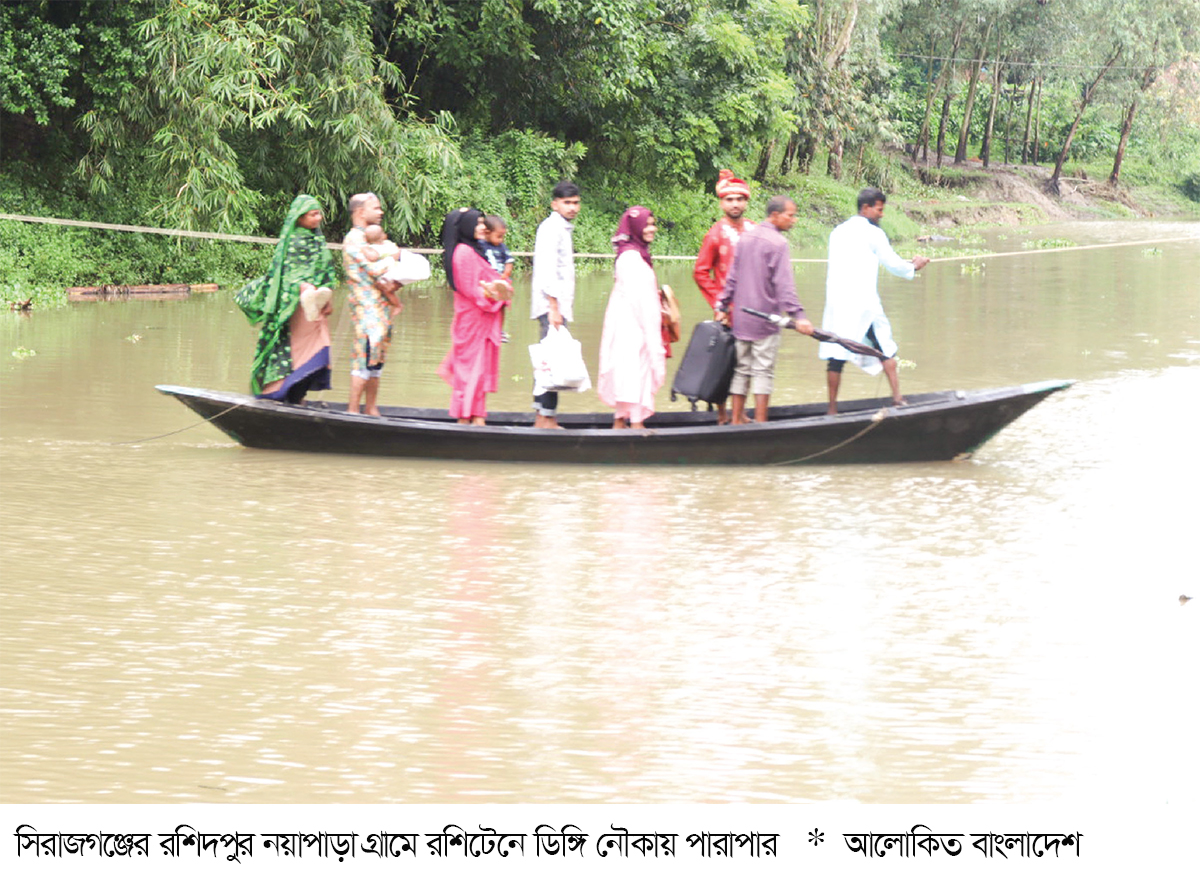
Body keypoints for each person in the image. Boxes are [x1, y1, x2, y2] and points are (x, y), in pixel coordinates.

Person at [822, 187, 930, 414]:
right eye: (879, 209)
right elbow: (893, 264)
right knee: (886, 348)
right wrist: (914, 266)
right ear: (866, 208)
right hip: (863, 304)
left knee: (836, 354)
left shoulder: (837, 231)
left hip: (837, 304)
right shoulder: (873, 233)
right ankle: (898, 399)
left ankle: (832, 410)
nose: (881, 214)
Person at [715, 195, 815, 425]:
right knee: (762, 372)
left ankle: (736, 421)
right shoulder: (778, 243)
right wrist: (798, 316)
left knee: (741, 370)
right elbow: (784, 286)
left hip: (741, 319)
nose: (794, 220)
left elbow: (732, 278)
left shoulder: (745, 238)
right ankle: (761, 424)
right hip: (765, 321)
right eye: (790, 215)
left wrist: (722, 305)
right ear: (775, 215)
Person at [233, 193, 337, 403]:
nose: (318, 219)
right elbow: (286, 276)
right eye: (313, 215)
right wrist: (303, 287)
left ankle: (298, 397)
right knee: (295, 356)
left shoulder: (317, 241)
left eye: (319, 214)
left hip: (314, 310)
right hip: (294, 310)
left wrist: (326, 298)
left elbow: (325, 272)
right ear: (300, 218)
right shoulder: (292, 242)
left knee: (320, 353)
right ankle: (282, 395)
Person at [437, 208, 512, 425]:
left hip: (483, 321)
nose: (483, 227)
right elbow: (473, 291)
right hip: (472, 321)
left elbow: (492, 281)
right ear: (467, 226)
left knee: (479, 372)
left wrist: (500, 288)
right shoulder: (463, 253)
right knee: (470, 371)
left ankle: (477, 416)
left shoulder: (477, 251)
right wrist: (498, 292)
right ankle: (466, 419)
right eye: (478, 223)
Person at [693, 168, 754, 423]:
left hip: (753, 311)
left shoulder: (754, 230)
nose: (735, 204)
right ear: (721, 203)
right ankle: (721, 415)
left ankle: (739, 414)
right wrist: (720, 304)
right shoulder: (716, 233)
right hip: (727, 312)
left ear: (746, 202)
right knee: (724, 364)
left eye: (740, 199)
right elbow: (701, 272)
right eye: (730, 199)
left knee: (747, 365)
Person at [598, 206, 667, 429]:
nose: (652, 229)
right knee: (636, 370)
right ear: (636, 227)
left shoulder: (635, 254)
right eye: (647, 225)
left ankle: (620, 421)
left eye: (653, 224)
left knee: (627, 371)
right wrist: (653, 336)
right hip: (633, 325)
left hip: (628, 323)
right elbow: (640, 300)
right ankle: (636, 425)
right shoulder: (630, 258)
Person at [343, 192, 402, 415]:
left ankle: (371, 409)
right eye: (376, 208)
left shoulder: (374, 239)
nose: (381, 212)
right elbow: (374, 270)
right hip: (366, 310)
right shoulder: (354, 240)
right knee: (364, 357)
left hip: (382, 309)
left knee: (376, 361)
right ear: (360, 212)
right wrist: (393, 258)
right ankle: (352, 411)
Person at [529, 180, 581, 429]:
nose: (572, 207)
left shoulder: (561, 228)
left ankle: (546, 416)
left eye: (576, 203)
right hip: (551, 307)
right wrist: (554, 308)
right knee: (550, 363)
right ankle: (544, 418)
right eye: (567, 203)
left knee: (550, 361)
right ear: (555, 204)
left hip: (556, 306)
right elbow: (548, 271)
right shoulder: (551, 228)